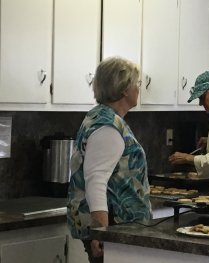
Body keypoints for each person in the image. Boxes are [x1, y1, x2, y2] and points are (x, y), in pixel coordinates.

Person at [67, 57, 152, 263]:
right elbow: (96, 181)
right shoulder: (107, 127)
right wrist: (101, 232)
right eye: (137, 83)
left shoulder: (104, 118)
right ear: (124, 89)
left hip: (119, 227)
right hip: (114, 225)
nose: (138, 89)